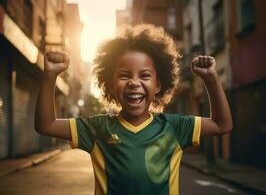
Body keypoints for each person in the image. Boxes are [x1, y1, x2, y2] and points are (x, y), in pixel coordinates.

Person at [35, 24, 232, 195]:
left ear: (158, 85)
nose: (134, 83)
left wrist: (211, 79)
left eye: (145, 76)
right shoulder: (97, 128)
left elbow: (222, 124)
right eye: (124, 75)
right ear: (110, 84)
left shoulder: (174, 127)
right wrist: (50, 76)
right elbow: (46, 125)